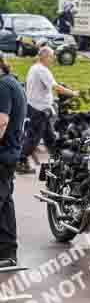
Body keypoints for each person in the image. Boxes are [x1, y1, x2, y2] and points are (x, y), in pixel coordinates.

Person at [20, 46, 79, 174]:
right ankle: (20, 161)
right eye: (52, 57)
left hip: (38, 108)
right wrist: (73, 93)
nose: (53, 59)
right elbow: (56, 87)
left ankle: (59, 162)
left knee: (50, 138)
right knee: (33, 139)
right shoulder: (42, 70)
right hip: (39, 109)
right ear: (45, 57)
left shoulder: (34, 68)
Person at [0, 53, 26, 268]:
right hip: (10, 154)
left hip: (3, 154)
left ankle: (8, 253)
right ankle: (7, 253)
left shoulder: (2, 86)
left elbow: (1, 122)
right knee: (5, 203)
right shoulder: (12, 83)